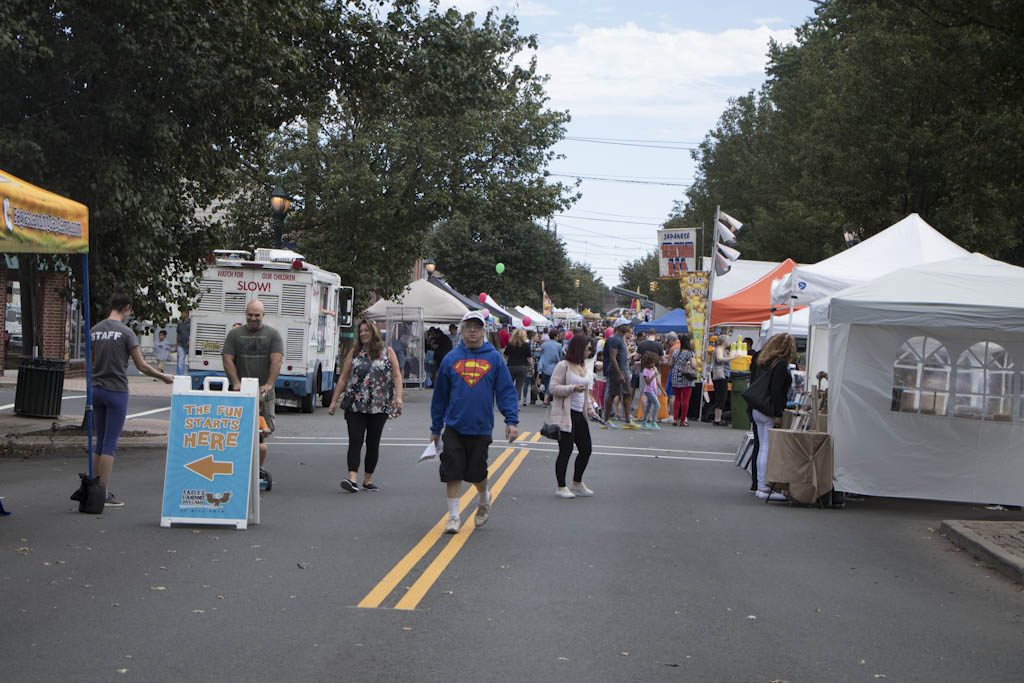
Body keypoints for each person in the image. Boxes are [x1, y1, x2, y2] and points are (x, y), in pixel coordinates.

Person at [430, 310, 519, 533]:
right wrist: (435, 427)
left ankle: (483, 497)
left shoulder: (494, 358)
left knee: (476, 473)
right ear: (461, 330)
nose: (472, 331)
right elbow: (440, 396)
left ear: (483, 331)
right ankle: (453, 517)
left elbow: (506, 391)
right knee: (453, 470)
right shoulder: (451, 359)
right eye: (468, 327)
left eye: (476, 327)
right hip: (454, 426)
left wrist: (511, 421)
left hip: (480, 427)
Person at [87, 293, 173, 507]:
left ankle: (93, 489)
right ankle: (103, 493)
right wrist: (163, 377)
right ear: (126, 307)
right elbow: (142, 366)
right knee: (109, 444)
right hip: (116, 391)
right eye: (130, 310)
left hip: (96, 389)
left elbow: (91, 361)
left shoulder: (95, 330)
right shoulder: (126, 333)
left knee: (99, 441)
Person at [328, 320, 402, 492]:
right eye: (361, 331)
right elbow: (343, 378)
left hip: (379, 405)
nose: (363, 334)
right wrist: (333, 401)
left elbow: (397, 376)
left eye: (366, 330)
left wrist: (398, 397)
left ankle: (367, 479)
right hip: (356, 405)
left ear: (374, 332)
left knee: (373, 442)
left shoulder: (387, 352)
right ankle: (352, 478)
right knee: (355, 440)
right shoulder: (354, 353)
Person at [222, 299, 283, 489]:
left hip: (263, 395)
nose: (253, 319)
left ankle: (255, 470)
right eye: (250, 315)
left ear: (263, 316)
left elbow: (276, 361)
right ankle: (237, 468)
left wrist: (269, 384)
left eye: (257, 315)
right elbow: (227, 359)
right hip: (241, 393)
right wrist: (236, 383)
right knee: (237, 433)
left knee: (262, 435)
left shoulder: (272, 335)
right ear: (245, 315)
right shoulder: (235, 335)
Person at [548, 333, 599, 498]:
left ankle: (577, 482)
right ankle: (561, 486)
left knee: (586, 449)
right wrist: (571, 388)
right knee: (566, 450)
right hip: (565, 414)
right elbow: (553, 388)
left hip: (579, 414)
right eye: (588, 348)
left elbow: (586, 394)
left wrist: (592, 411)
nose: (589, 352)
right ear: (579, 348)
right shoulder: (563, 365)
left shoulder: (582, 366)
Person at [750, 334, 797, 501]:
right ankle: (763, 486)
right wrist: (779, 413)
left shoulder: (764, 360)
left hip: (757, 406)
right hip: (769, 409)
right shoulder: (780, 364)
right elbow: (777, 391)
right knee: (766, 447)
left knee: (762, 445)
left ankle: (760, 485)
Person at [602, 318, 637, 428]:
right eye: (625, 325)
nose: (628, 326)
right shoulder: (614, 340)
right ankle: (606, 420)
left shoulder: (620, 339)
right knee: (612, 394)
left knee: (627, 394)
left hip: (622, 369)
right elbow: (613, 357)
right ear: (620, 327)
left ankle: (627, 421)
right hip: (616, 371)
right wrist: (619, 374)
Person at [710, 335, 740, 426]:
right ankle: (717, 419)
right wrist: (732, 358)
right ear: (723, 341)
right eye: (728, 340)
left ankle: (717, 418)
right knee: (721, 396)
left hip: (723, 374)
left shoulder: (722, 350)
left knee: (721, 396)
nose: (729, 341)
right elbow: (719, 359)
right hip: (721, 375)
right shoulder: (719, 349)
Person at [670, 334, 697, 426]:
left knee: (677, 398)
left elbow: (670, 364)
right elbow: (694, 365)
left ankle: (674, 419)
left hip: (675, 375)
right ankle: (682, 420)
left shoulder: (675, 352)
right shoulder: (690, 353)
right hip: (686, 376)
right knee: (685, 399)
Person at [503, 327, 533, 406]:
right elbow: (529, 358)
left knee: (509, 385)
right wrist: (532, 368)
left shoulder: (510, 344)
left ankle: (508, 402)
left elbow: (505, 355)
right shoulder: (526, 345)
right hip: (523, 367)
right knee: (519, 386)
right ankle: (515, 403)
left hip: (511, 366)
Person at [537, 328, 564, 405]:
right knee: (551, 384)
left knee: (546, 383)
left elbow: (539, 354)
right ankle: (546, 400)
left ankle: (547, 399)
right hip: (554, 367)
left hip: (544, 367)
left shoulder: (544, 344)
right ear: (555, 336)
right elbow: (560, 357)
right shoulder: (559, 345)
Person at [639, 351, 664, 430]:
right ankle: (653, 421)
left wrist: (662, 390)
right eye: (652, 363)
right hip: (648, 390)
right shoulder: (645, 371)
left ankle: (644, 422)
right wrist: (654, 375)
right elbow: (647, 382)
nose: (653, 364)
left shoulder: (653, 369)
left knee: (648, 407)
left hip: (653, 390)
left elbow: (657, 382)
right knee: (657, 404)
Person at [175, 309, 190, 376]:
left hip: (189, 345)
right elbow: (178, 334)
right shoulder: (180, 324)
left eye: (182, 313)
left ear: (187, 314)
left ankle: (190, 375)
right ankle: (179, 376)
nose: (181, 315)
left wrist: (190, 340)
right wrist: (177, 345)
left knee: (191, 361)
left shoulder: (192, 323)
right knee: (180, 361)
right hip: (181, 344)